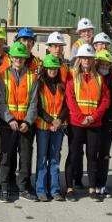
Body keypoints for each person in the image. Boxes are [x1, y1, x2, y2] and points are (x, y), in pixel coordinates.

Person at [64, 44, 110, 201]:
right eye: (84, 57)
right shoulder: (72, 76)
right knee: (74, 155)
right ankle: (69, 188)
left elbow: (105, 100)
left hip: (94, 123)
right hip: (76, 123)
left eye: (89, 58)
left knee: (92, 156)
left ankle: (92, 188)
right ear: (79, 59)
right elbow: (70, 99)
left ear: (92, 60)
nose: (86, 60)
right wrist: (80, 117)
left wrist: (93, 117)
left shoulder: (99, 78)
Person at [0, 42, 39, 202]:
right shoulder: (3, 76)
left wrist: (27, 122)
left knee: (25, 157)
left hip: (26, 124)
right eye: (15, 57)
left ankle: (23, 188)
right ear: (11, 58)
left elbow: (34, 103)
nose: (18, 60)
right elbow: (0, 102)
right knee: (7, 156)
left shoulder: (32, 77)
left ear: (25, 58)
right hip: (8, 123)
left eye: (21, 57)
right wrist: (10, 119)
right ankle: (5, 187)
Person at [34, 54, 67, 201]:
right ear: (45, 68)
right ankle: (41, 190)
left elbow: (66, 106)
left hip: (58, 127)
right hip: (43, 127)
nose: (53, 71)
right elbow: (38, 107)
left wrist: (59, 120)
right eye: (50, 68)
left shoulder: (62, 85)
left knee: (54, 159)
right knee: (42, 158)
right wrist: (51, 121)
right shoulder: (39, 84)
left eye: (55, 68)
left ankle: (55, 190)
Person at [94, 49, 112, 198]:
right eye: (101, 63)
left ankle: (102, 184)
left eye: (107, 64)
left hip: (107, 122)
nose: (104, 66)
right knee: (93, 154)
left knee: (104, 155)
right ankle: (93, 184)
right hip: (93, 122)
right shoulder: (91, 77)